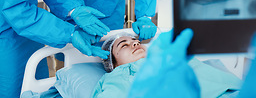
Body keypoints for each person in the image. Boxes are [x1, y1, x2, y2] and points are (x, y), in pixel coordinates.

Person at [92, 30, 241, 97]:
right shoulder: (118, 76)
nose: (135, 43)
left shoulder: (168, 56)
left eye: (135, 41)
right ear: (113, 64)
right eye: (124, 45)